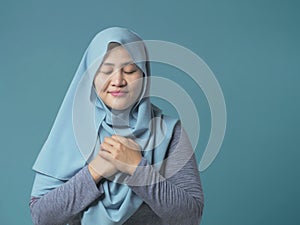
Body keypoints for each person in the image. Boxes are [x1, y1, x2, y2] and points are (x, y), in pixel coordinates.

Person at [29, 27, 204, 225]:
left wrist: (136, 168)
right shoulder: (71, 130)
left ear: (144, 75)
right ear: (92, 77)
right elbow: (42, 217)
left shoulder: (171, 132)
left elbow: (190, 215)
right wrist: (95, 171)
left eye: (130, 70)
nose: (118, 81)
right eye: (106, 70)